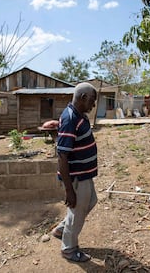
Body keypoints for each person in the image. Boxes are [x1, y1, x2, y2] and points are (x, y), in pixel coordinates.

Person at [52, 82, 98, 262]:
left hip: (84, 174)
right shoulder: (70, 119)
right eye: (92, 101)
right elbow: (62, 156)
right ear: (83, 97)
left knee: (91, 201)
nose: (93, 105)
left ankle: (62, 229)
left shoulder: (80, 115)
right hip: (76, 177)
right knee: (77, 212)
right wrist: (69, 190)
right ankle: (69, 249)